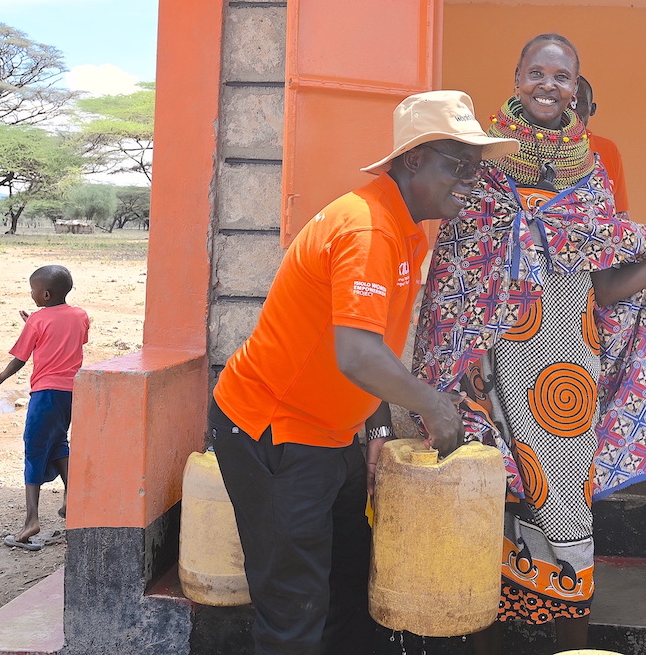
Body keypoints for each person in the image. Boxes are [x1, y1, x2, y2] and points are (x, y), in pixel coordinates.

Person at [414, 34, 646, 653]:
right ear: (515, 78)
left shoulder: (590, 180)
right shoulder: (476, 169)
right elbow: (453, 270)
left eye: (561, 77)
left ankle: (568, 645)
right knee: (478, 505)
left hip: (559, 374)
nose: (548, 86)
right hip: (477, 367)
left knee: (563, 519)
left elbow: (609, 284)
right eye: (536, 72)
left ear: (576, 87)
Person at [210, 90, 518, 655]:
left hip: (330, 439)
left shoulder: (401, 223)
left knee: (346, 586)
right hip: (276, 434)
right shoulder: (368, 229)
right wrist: (435, 404)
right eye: (456, 164)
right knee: (294, 611)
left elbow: (368, 348)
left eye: (475, 167)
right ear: (411, 160)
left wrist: (375, 428)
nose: (471, 179)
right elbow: (356, 354)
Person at [0, 264, 90, 549]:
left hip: (45, 393)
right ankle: (71, 500)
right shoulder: (80, 315)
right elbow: (72, 338)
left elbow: (20, 358)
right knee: (58, 441)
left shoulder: (37, 321)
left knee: (34, 449)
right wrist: (38, 323)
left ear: (44, 294)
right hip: (72, 393)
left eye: (33, 290)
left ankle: (31, 519)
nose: (31, 294)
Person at [574, 76, 628, 215]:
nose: (572, 109)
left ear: (592, 109)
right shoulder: (538, 147)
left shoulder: (608, 149)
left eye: (579, 102)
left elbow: (621, 215)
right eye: (566, 101)